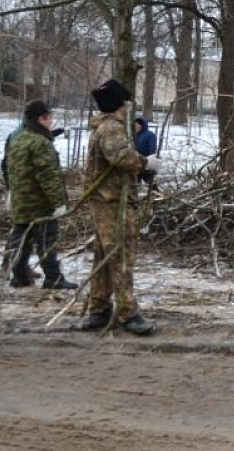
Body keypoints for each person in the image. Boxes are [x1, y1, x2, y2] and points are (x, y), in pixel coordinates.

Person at [83, 79, 159, 335]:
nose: (127, 109)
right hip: (112, 202)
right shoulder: (111, 128)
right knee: (120, 257)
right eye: (125, 104)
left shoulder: (102, 127)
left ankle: (99, 309)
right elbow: (121, 157)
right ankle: (128, 313)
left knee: (103, 258)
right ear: (118, 105)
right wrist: (145, 162)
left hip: (105, 200)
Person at [2, 100, 76, 290]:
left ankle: (19, 277)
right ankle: (53, 278)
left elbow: (7, 167)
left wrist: (10, 190)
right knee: (46, 240)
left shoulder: (16, 138)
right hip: (40, 202)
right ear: (41, 118)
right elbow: (48, 176)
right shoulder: (40, 143)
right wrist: (59, 202)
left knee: (21, 240)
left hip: (20, 200)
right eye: (50, 118)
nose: (51, 121)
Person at [133, 117, 158, 186]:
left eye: (137, 125)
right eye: (135, 125)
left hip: (146, 161)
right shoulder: (134, 135)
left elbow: (152, 149)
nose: (135, 127)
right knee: (135, 182)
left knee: (150, 182)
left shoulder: (150, 135)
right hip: (136, 162)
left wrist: (150, 161)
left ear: (142, 125)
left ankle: (155, 194)